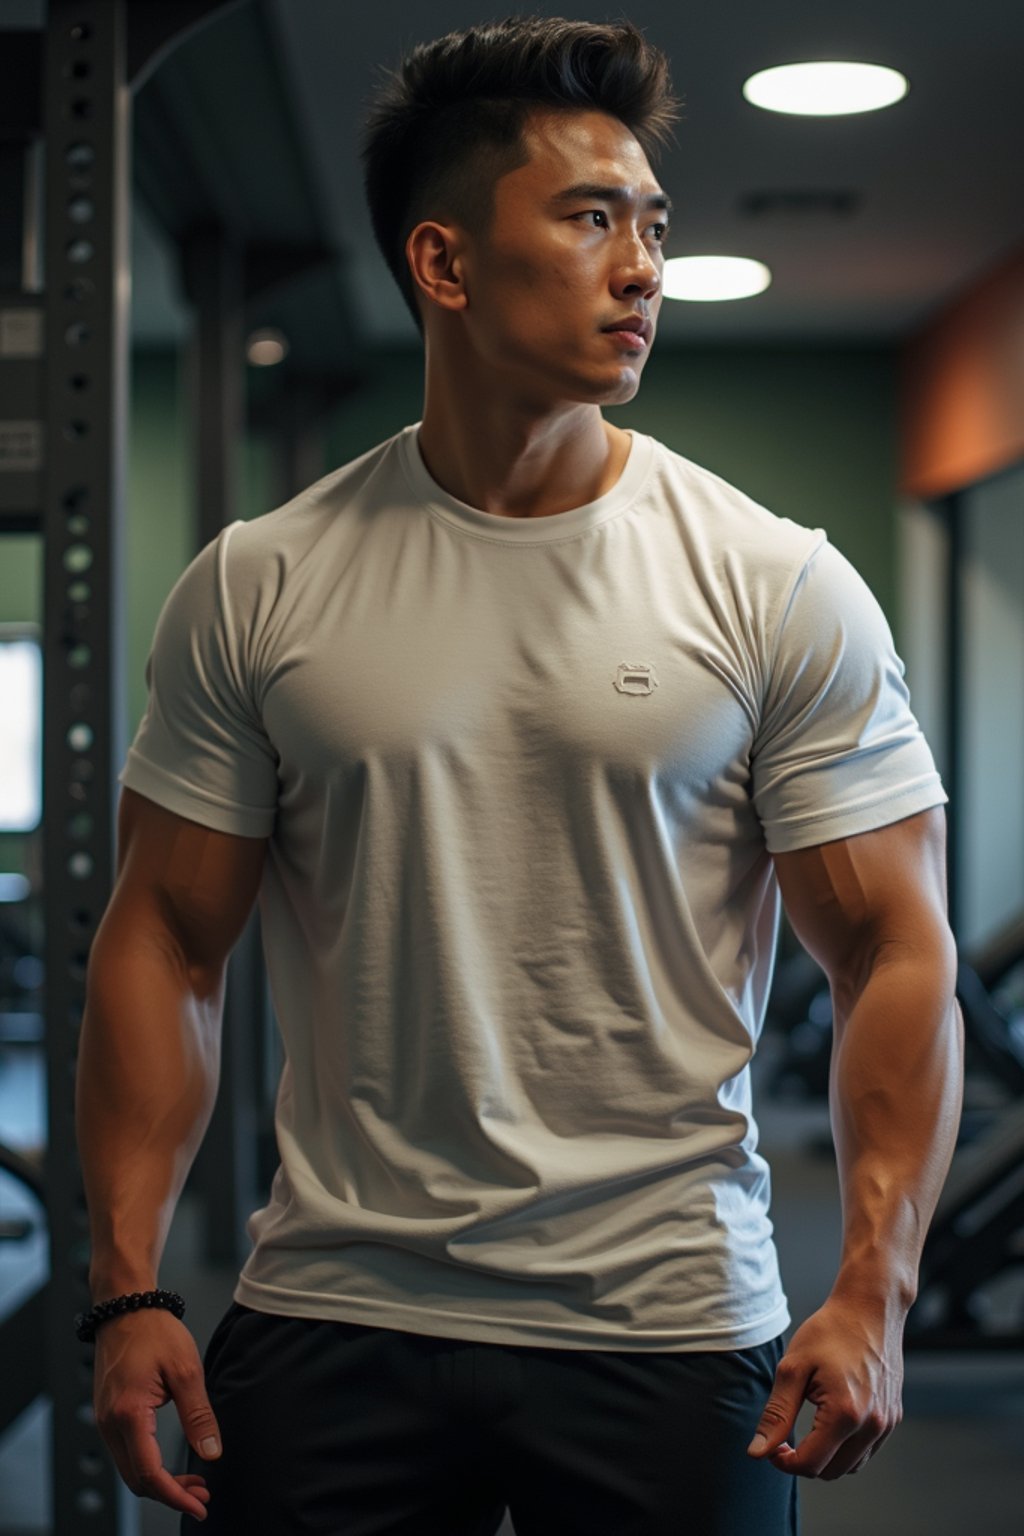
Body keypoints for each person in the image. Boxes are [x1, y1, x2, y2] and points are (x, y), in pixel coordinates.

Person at [76, 14, 964, 1535]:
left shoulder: (774, 581)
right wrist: (125, 1288)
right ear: (445, 263)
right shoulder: (261, 583)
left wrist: (874, 1289)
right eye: (591, 217)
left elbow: (897, 944)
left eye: (655, 224)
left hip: (670, 1321)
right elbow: (163, 934)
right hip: (335, 1304)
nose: (643, 266)